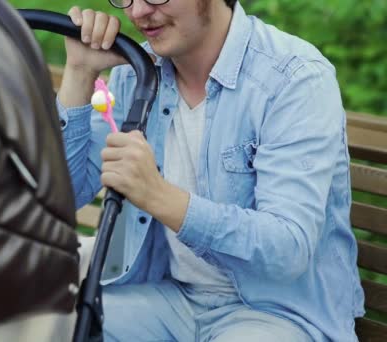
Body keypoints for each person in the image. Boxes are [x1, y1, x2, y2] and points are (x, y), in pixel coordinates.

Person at [57, 0, 365, 341]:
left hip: (276, 313)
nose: (138, 12)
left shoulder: (294, 78)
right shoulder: (137, 72)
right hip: (169, 297)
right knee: (49, 325)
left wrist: (159, 196)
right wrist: (80, 74)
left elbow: (287, 248)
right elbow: (62, 199)